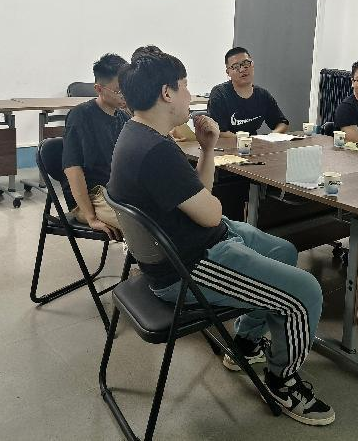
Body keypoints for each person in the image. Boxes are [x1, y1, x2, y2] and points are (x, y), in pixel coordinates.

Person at [108, 46, 335, 426]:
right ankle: (282, 381)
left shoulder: (141, 135)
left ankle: (244, 342)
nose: (189, 94)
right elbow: (211, 209)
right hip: (189, 266)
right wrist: (212, 206)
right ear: (167, 93)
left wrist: (208, 147)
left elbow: (199, 198)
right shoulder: (155, 151)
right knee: (305, 292)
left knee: (283, 250)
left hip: (197, 240)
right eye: (184, 86)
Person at [61, 53, 128, 240]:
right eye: (119, 90)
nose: (125, 95)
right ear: (99, 88)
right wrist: (90, 217)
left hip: (116, 191)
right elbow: (72, 169)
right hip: (91, 196)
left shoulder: (123, 117)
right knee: (144, 225)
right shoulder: (80, 116)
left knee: (163, 212)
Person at [207, 47, 289, 137]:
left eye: (246, 64)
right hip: (228, 144)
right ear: (228, 72)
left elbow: (282, 123)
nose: (242, 69)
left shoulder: (262, 95)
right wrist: (246, 141)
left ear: (252, 65)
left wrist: (272, 136)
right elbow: (219, 132)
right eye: (236, 67)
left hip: (254, 144)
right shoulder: (219, 94)